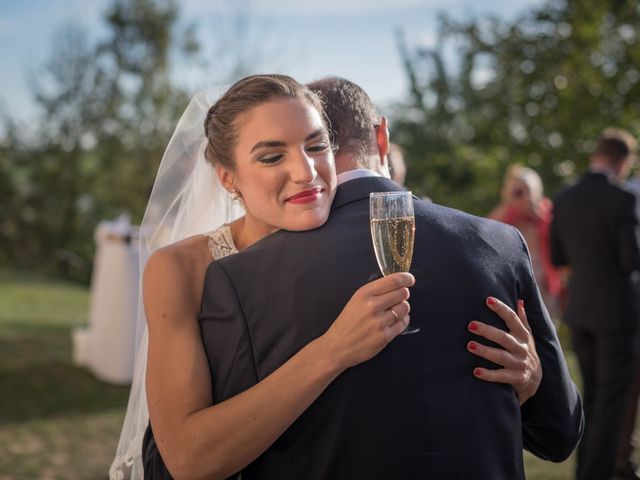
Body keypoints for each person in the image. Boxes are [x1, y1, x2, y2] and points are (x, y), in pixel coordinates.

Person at [109, 74, 540, 480]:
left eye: (316, 147)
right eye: (273, 156)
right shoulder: (181, 268)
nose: (306, 172)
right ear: (228, 177)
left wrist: (525, 384)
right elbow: (186, 459)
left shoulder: (368, 246)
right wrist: (333, 350)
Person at [550, 127, 640, 480]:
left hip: (580, 311)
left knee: (590, 398)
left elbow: (558, 256)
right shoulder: (623, 200)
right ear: (623, 161)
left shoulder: (565, 197)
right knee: (612, 403)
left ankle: (585, 469)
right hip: (616, 315)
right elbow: (630, 259)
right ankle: (596, 473)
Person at [488, 164, 563, 319]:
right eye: (516, 191)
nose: (519, 196)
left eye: (523, 190)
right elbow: (485, 231)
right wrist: (507, 203)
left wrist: (534, 210)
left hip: (543, 283)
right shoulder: (506, 214)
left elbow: (557, 238)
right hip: (513, 283)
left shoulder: (546, 214)